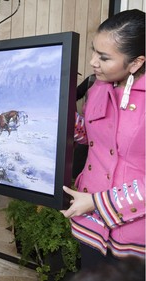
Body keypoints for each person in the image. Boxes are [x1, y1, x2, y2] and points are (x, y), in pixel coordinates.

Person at [61, 9, 145, 272]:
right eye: (93, 51)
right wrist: (64, 119)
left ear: (136, 62)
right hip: (91, 224)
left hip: (133, 232)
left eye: (104, 57)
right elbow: (93, 138)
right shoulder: (98, 86)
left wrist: (99, 203)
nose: (92, 62)